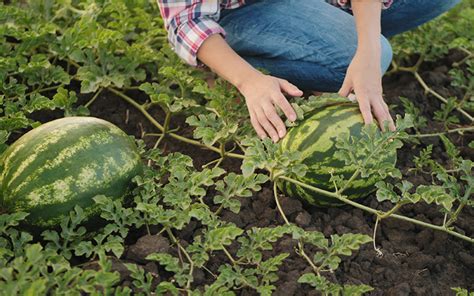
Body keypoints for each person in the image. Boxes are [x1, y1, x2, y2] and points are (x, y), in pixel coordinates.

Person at [156, 0, 460, 142]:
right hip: (238, 13)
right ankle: (231, 66)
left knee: (373, 52)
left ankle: (325, 35)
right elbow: (186, 21)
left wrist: (367, 49)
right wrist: (249, 81)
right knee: (368, 56)